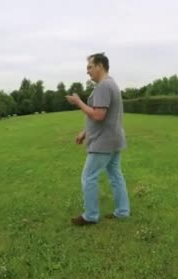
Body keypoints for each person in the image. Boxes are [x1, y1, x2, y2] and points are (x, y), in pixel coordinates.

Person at [65, 53, 130, 226]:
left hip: (103, 142)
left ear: (100, 66)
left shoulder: (103, 86)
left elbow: (98, 115)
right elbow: (103, 116)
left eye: (89, 67)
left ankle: (91, 216)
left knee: (88, 177)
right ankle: (123, 212)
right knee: (115, 175)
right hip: (114, 139)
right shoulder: (112, 83)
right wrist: (84, 132)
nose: (87, 71)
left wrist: (78, 102)